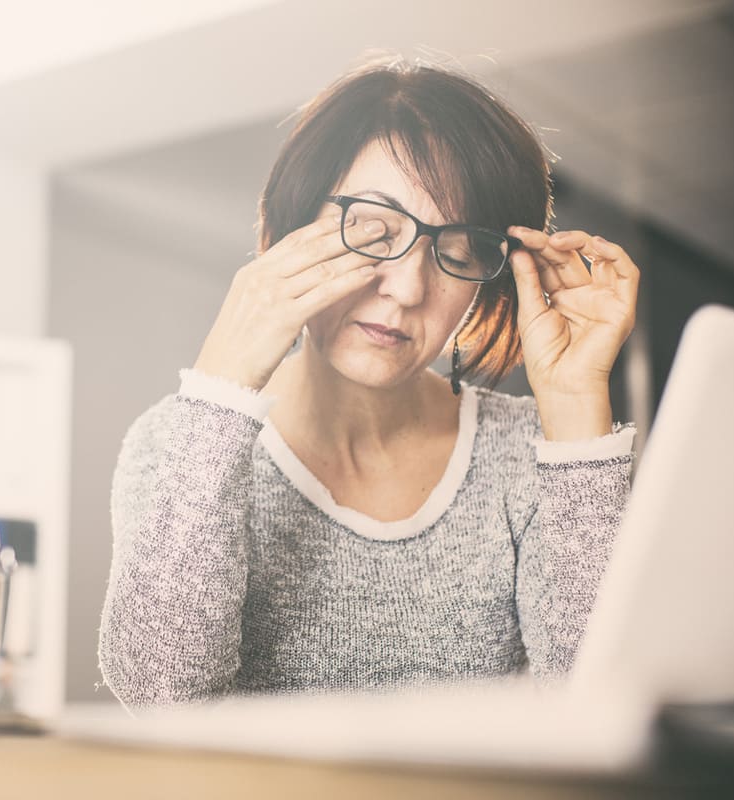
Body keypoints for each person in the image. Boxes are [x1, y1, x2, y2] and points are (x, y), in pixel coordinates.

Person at [98, 55, 640, 708]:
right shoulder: (175, 441)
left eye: (458, 253)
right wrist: (220, 388)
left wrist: (577, 409)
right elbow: (161, 698)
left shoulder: (533, 451)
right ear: (291, 224)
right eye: (373, 230)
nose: (408, 288)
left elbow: (604, 703)